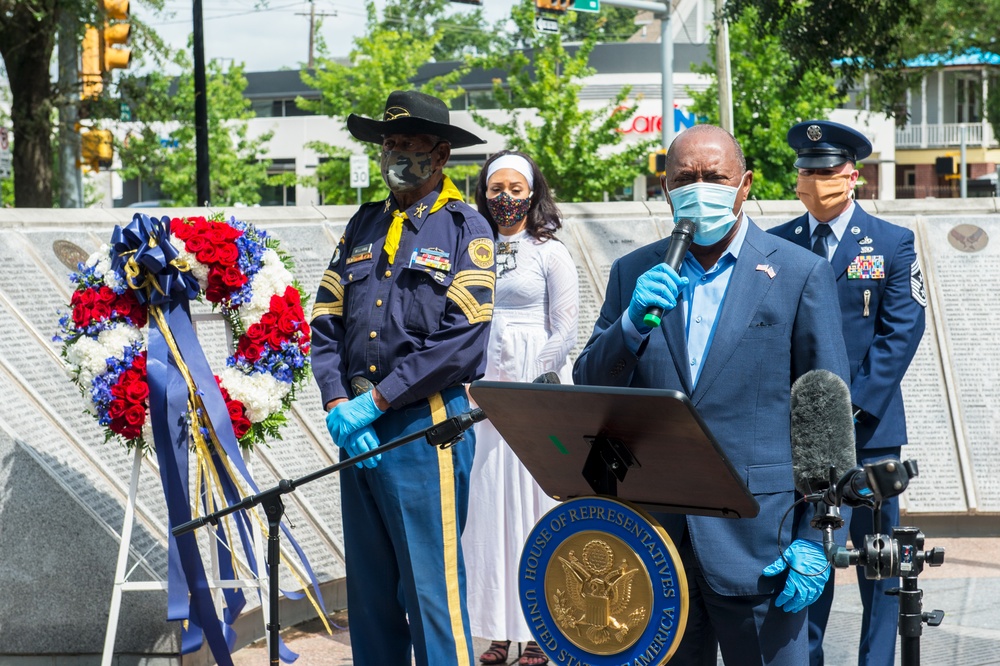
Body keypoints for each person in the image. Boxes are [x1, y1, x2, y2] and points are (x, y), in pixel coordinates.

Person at [573, 124, 851, 665]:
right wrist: (629, 326)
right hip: (654, 543)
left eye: (715, 177)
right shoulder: (635, 271)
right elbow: (590, 380)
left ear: (744, 185)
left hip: (761, 542)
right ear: (665, 189)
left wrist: (816, 537)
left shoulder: (798, 273)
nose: (700, 187)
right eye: (685, 178)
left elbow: (825, 419)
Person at [310, 90, 496, 666]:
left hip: (423, 430)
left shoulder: (467, 228)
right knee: (368, 596)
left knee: (430, 591)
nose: (394, 154)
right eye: (388, 143)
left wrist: (382, 400)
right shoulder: (364, 223)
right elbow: (325, 316)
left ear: (440, 155)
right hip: (357, 433)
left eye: (408, 144)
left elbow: (463, 338)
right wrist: (339, 403)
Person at [769, 119, 926, 666]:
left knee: (879, 565)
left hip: (870, 433)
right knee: (807, 563)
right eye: (807, 171)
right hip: (799, 440)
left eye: (827, 171)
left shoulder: (890, 243)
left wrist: (848, 410)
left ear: (852, 176)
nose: (816, 181)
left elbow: (902, 331)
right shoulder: (777, 245)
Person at [462, 151, 579, 666]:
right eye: (495, 189)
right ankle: (497, 629)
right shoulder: (473, 248)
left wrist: (530, 383)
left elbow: (566, 328)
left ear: (532, 192)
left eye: (515, 188)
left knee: (537, 507)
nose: (505, 198)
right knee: (488, 509)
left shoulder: (550, 252)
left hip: (536, 391)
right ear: (483, 192)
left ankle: (539, 629)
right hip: (485, 389)